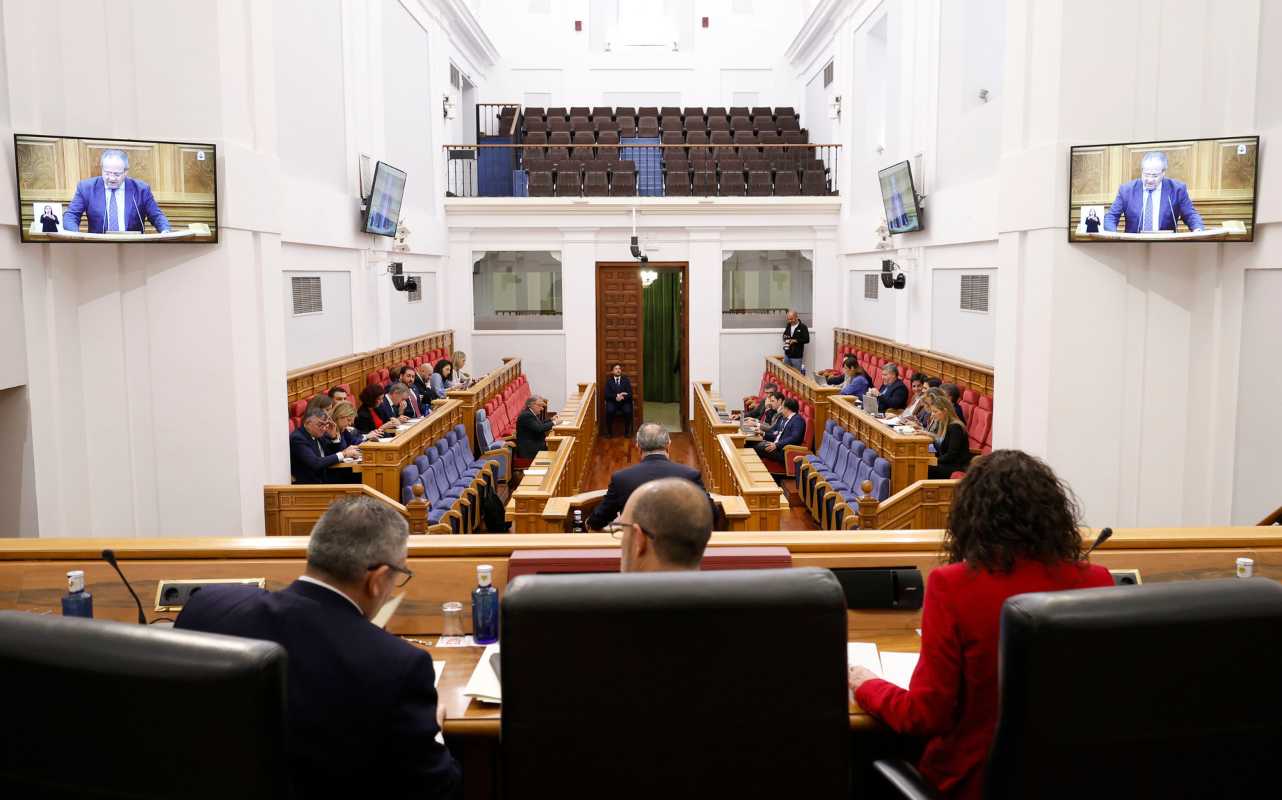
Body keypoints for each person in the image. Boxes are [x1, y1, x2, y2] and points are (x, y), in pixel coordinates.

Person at [849, 450, 1114, 800]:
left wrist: (866, 683)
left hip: (971, 784)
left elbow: (924, 717)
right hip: (1072, 782)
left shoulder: (954, 584)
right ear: (1053, 515)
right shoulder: (1098, 581)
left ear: (970, 518)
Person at [175, 496, 460, 798]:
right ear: (377, 580)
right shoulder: (398, 665)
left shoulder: (205, 606)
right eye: (399, 575)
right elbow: (439, 788)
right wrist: (435, 732)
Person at [587, 423, 705, 530]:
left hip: (638, 549)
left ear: (638, 447)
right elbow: (712, 514)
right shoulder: (690, 476)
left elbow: (597, 521)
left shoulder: (621, 479)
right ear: (668, 445)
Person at [608, 477, 714, 572]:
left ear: (638, 539)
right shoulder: (726, 591)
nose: (621, 542)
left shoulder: (601, 593)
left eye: (623, 530)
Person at [63, 149, 172, 234]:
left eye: (116, 174)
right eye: (107, 173)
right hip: (98, 247)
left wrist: (165, 230)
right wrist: (75, 235)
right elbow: (71, 215)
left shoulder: (141, 189)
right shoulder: (86, 188)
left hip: (133, 247)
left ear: (125, 172)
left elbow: (157, 216)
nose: (111, 178)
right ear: (102, 169)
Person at [1103, 150, 1205, 234]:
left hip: (1166, 246)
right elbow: (1111, 216)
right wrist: (1113, 234)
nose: (1150, 179)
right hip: (1133, 246)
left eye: (1155, 176)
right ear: (1142, 171)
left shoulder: (1177, 189)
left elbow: (1190, 215)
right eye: (1146, 175)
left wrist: (1197, 229)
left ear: (1163, 172)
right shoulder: (1127, 190)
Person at [290, 408, 359, 483]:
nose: (323, 428)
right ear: (307, 423)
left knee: (358, 475)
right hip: (312, 484)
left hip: (325, 476)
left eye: (326, 424)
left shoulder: (319, 434)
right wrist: (344, 453)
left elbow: (332, 454)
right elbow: (315, 463)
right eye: (320, 425)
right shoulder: (298, 438)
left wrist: (334, 438)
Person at [925, 394, 972, 479]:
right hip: (946, 463)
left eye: (935, 411)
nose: (933, 414)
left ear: (945, 411)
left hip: (957, 467)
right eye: (932, 411)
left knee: (924, 468)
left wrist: (934, 460)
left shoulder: (955, 427)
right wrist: (929, 448)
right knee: (921, 464)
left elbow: (951, 455)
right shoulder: (942, 424)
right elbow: (938, 448)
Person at [752, 396, 805, 465]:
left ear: (787, 408)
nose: (781, 409)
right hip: (776, 446)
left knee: (752, 447)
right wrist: (763, 433)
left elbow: (794, 438)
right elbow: (776, 434)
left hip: (783, 451)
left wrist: (777, 445)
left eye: (782, 407)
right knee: (751, 443)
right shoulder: (784, 418)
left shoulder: (797, 420)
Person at [515, 396, 559, 460]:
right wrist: (554, 423)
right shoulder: (526, 415)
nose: (542, 409)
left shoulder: (529, 413)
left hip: (535, 444)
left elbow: (539, 424)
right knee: (556, 447)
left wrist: (551, 420)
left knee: (555, 445)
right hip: (530, 449)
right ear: (532, 405)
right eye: (540, 406)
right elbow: (539, 428)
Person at [603, 363, 634, 437]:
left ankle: (627, 432)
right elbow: (607, 395)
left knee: (628, 411)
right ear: (612, 371)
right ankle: (609, 433)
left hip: (624, 402)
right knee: (609, 411)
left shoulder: (626, 380)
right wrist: (616, 396)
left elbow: (630, 394)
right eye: (616, 369)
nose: (618, 370)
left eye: (619, 369)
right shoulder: (609, 382)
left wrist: (622, 397)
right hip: (613, 402)